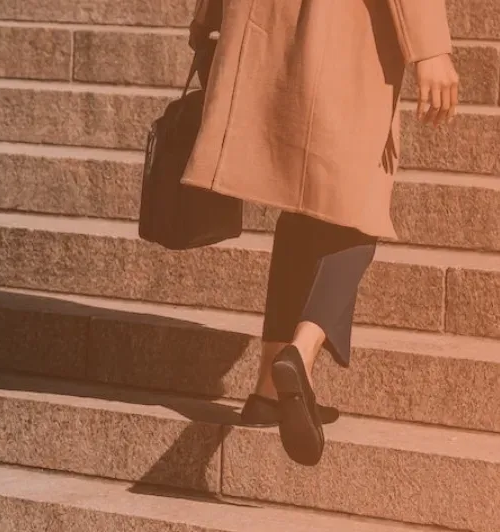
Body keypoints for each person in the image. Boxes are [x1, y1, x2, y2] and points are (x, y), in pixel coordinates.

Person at [182, 0, 459, 466]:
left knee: (306, 201)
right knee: (360, 204)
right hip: (352, 29)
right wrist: (431, 48)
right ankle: (301, 352)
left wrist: (207, 17)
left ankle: (268, 391)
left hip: (267, 24)